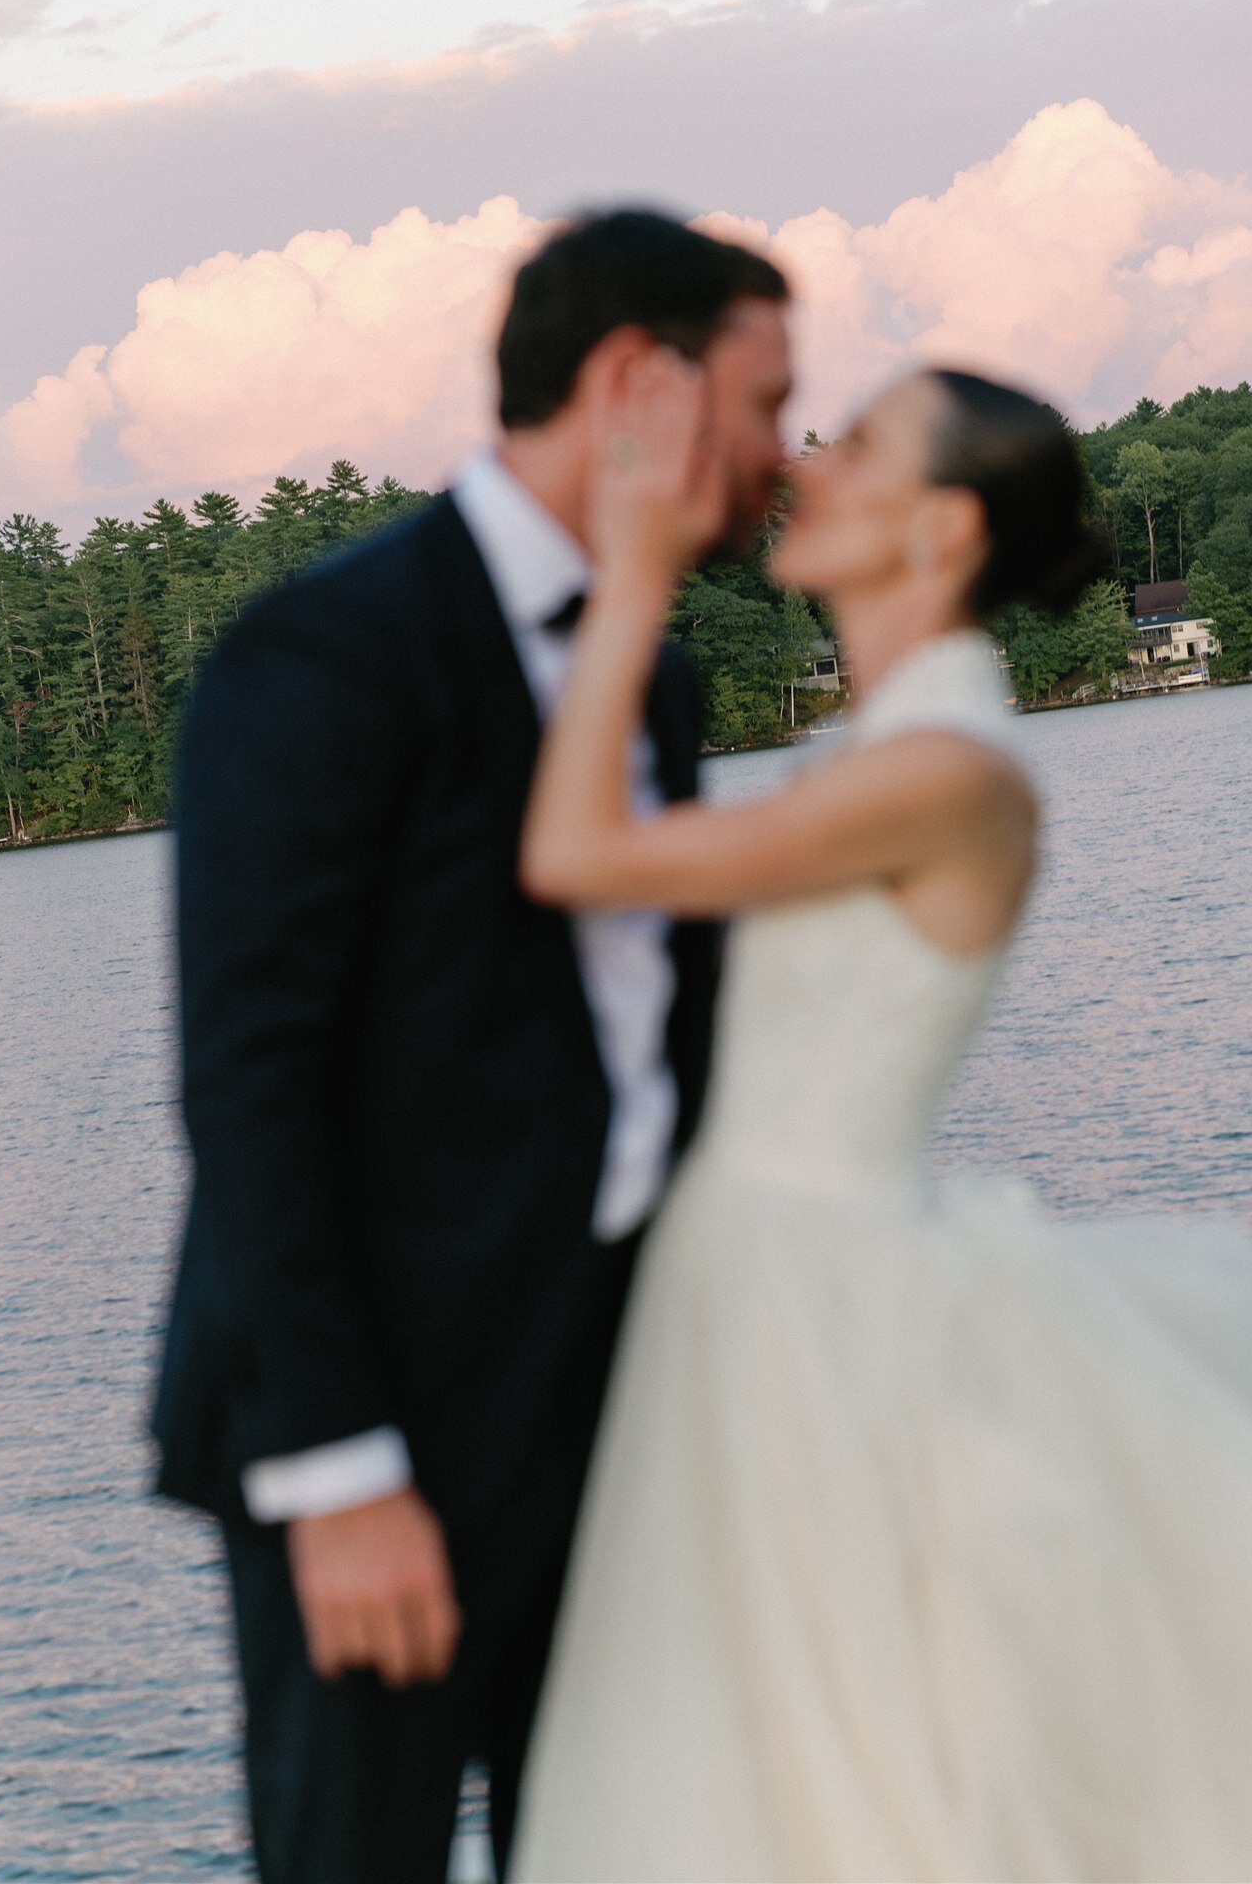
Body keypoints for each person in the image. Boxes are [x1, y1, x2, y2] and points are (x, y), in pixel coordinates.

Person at [510, 358, 1252, 1883]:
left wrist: (624, 574)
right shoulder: (884, 754)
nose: (807, 460)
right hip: (742, 1285)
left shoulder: (946, 774)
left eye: (857, 442)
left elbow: (572, 852)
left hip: (823, 1311)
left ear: (941, 530)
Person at [149, 209, 793, 1884]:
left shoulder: (649, 685)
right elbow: (251, 1084)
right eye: (762, 402)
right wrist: (340, 1468)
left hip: (607, 1431)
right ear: (635, 384)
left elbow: (641, 1059)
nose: (779, 456)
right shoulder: (320, 654)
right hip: (380, 1451)